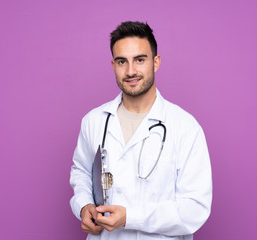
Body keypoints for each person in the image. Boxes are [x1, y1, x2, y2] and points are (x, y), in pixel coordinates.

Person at [70, 21, 212, 240]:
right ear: (113, 65)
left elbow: (194, 208)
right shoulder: (94, 121)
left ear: (156, 62)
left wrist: (130, 216)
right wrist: (83, 205)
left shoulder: (185, 127)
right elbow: (81, 171)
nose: (130, 71)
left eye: (139, 60)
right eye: (121, 61)